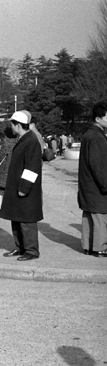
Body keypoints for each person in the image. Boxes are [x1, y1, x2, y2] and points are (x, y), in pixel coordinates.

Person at [0, 110, 43, 261]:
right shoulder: (24, 139)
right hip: (16, 188)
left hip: (25, 189)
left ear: (18, 125)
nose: (11, 127)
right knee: (16, 219)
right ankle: (20, 248)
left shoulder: (31, 141)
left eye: (12, 124)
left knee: (27, 221)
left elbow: (32, 167)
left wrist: (24, 188)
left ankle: (31, 251)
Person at [77, 101, 107, 257]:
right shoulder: (97, 137)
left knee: (89, 216)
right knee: (100, 217)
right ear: (98, 118)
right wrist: (105, 185)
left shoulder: (89, 135)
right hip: (96, 186)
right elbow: (99, 165)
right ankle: (100, 247)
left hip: (87, 185)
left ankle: (88, 246)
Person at [0, 126, 17, 214]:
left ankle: (0, 208)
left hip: (4, 169)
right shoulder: (19, 143)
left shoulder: (6, 145)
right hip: (15, 169)